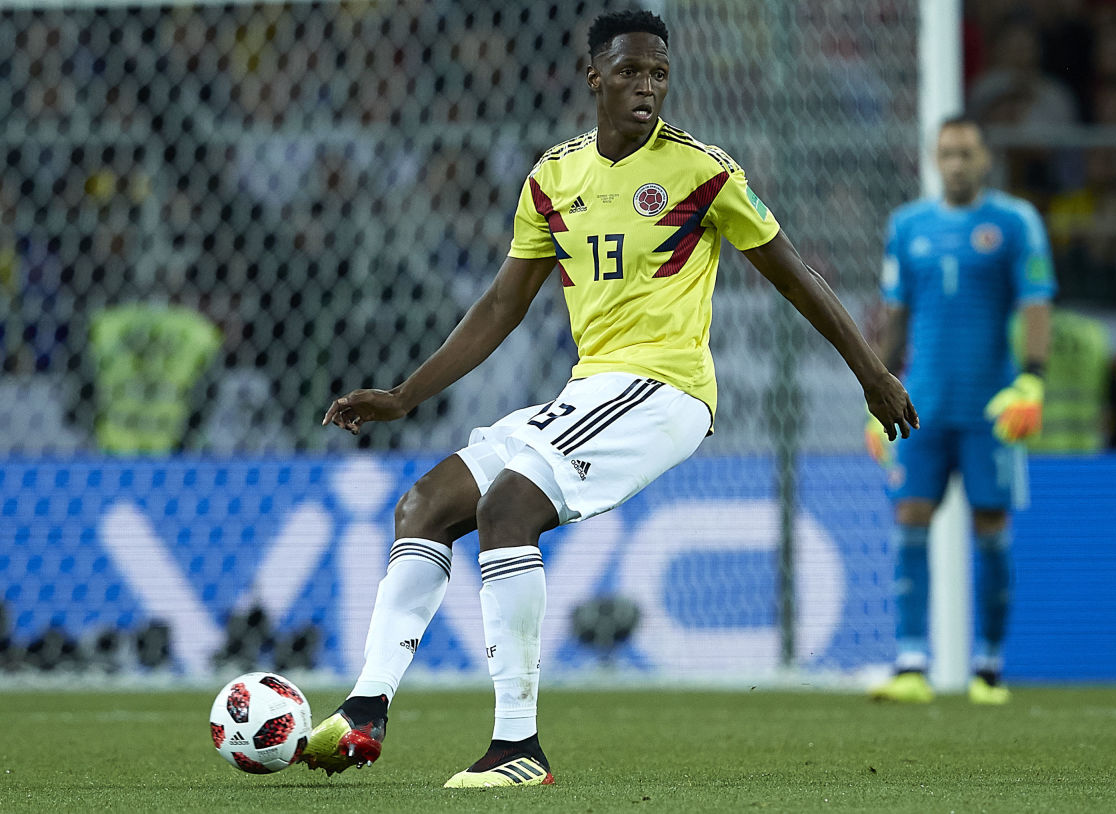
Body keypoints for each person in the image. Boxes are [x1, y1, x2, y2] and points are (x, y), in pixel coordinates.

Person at [301, 9, 917, 787]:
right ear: (595, 76)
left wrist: (871, 372)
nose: (647, 87)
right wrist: (404, 395)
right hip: (591, 389)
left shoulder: (703, 172)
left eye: (659, 74)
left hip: (666, 389)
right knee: (425, 504)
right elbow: (501, 305)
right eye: (630, 71)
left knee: (507, 510)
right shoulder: (553, 176)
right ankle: (364, 713)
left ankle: (517, 748)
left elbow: (795, 273)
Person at [865, 116, 1055, 705]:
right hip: (921, 404)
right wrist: (877, 392)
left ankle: (990, 666)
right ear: (933, 158)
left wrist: (1032, 380)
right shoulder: (907, 227)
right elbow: (895, 317)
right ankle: (910, 663)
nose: (955, 163)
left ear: (985, 159)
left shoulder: (1014, 221)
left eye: (966, 153)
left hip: (989, 407)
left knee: (991, 526)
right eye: (946, 153)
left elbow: (1035, 303)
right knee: (910, 518)